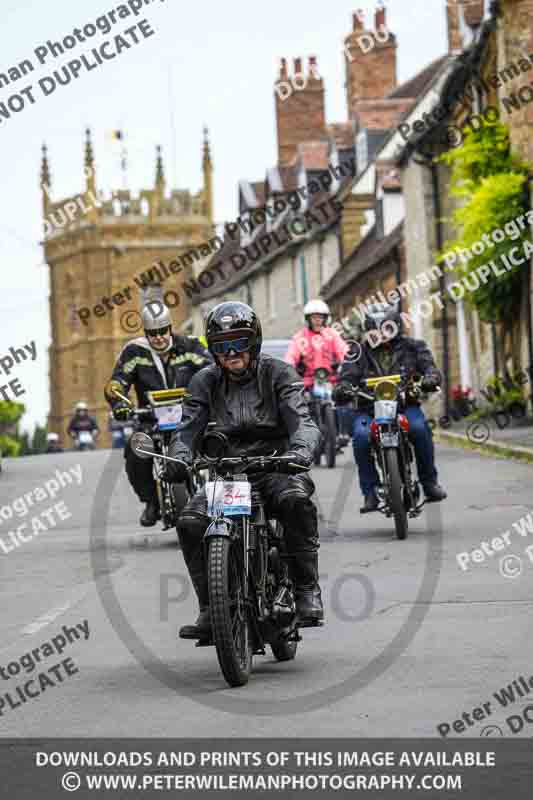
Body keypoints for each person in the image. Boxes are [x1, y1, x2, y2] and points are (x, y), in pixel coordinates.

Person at [164, 301, 323, 640]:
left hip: (277, 465)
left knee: (295, 503)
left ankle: (306, 589)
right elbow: (187, 429)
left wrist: (300, 450)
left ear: (254, 342)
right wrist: (178, 457)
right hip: (229, 473)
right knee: (190, 522)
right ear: (213, 350)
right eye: (222, 346)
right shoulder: (203, 382)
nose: (231, 352)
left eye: (239, 342)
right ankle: (211, 608)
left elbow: (303, 421)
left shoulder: (279, 373)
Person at [106, 302, 212, 527]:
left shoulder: (191, 346)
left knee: (217, 439)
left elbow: (212, 370)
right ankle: (151, 502)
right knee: (135, 451)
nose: (159, 337)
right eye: (152, 333)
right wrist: (119, 402)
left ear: (170, 328)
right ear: (145, 332)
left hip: (190, 416)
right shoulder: (134, 351)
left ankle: (220, 495)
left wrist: (212, 394)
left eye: (163, 331)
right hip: (150, 420)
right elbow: (117, 381)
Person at [334, 303, 447, 512]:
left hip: (405, 406)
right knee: (361, 437)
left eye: (386, 328)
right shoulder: (357, 352)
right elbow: (346, 376)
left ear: (395, 326)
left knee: (420, 429)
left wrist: (431, 377)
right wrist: (343, 388)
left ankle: (429, 483)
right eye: (375, 329)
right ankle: (370, 492)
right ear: (368, 330)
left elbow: (429, 367)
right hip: (369, 409)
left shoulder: (414, 347)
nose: (381, 334)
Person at [285, 299, 347, 389]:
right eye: (314, 317)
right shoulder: (300, 337)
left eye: (320, 317)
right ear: (308, 319)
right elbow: (291, 357)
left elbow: (344, 352)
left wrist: (347, 364)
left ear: (325, 319)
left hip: (332, 382)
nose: (317, 320)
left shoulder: (332, 335)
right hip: (307, 384)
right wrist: (289, 371)